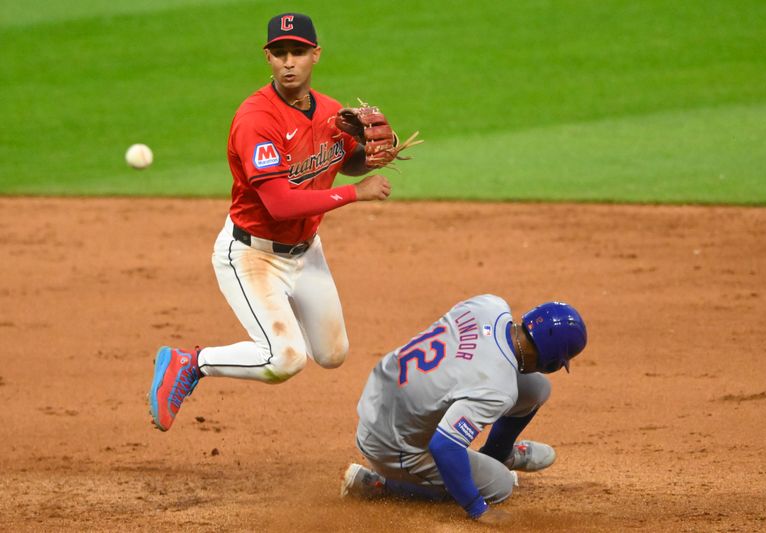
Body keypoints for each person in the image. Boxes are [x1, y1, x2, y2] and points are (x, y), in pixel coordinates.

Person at [148, 12, 410, 432]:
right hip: (253, 255)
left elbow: (346, 161)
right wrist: (356, 195)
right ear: (268, 58)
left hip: (307, 252)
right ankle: (190, 362)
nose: (290, 62)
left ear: (315, 55)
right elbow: (279, 205)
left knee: (332, 353)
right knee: (285, 358)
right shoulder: (256, 120)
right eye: (280, 53)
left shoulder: (327, 110)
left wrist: (379, 153)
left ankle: (272, 332)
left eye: (299, 52)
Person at [340, 294, 587, 523]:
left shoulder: (490, 305)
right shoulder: (498, 388)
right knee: (500, 486)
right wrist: (477, 508)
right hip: (391, 446)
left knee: (536, 388)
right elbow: (444, 446)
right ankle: (379, 484)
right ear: (552, 362)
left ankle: (498, 454)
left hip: (382, 395)